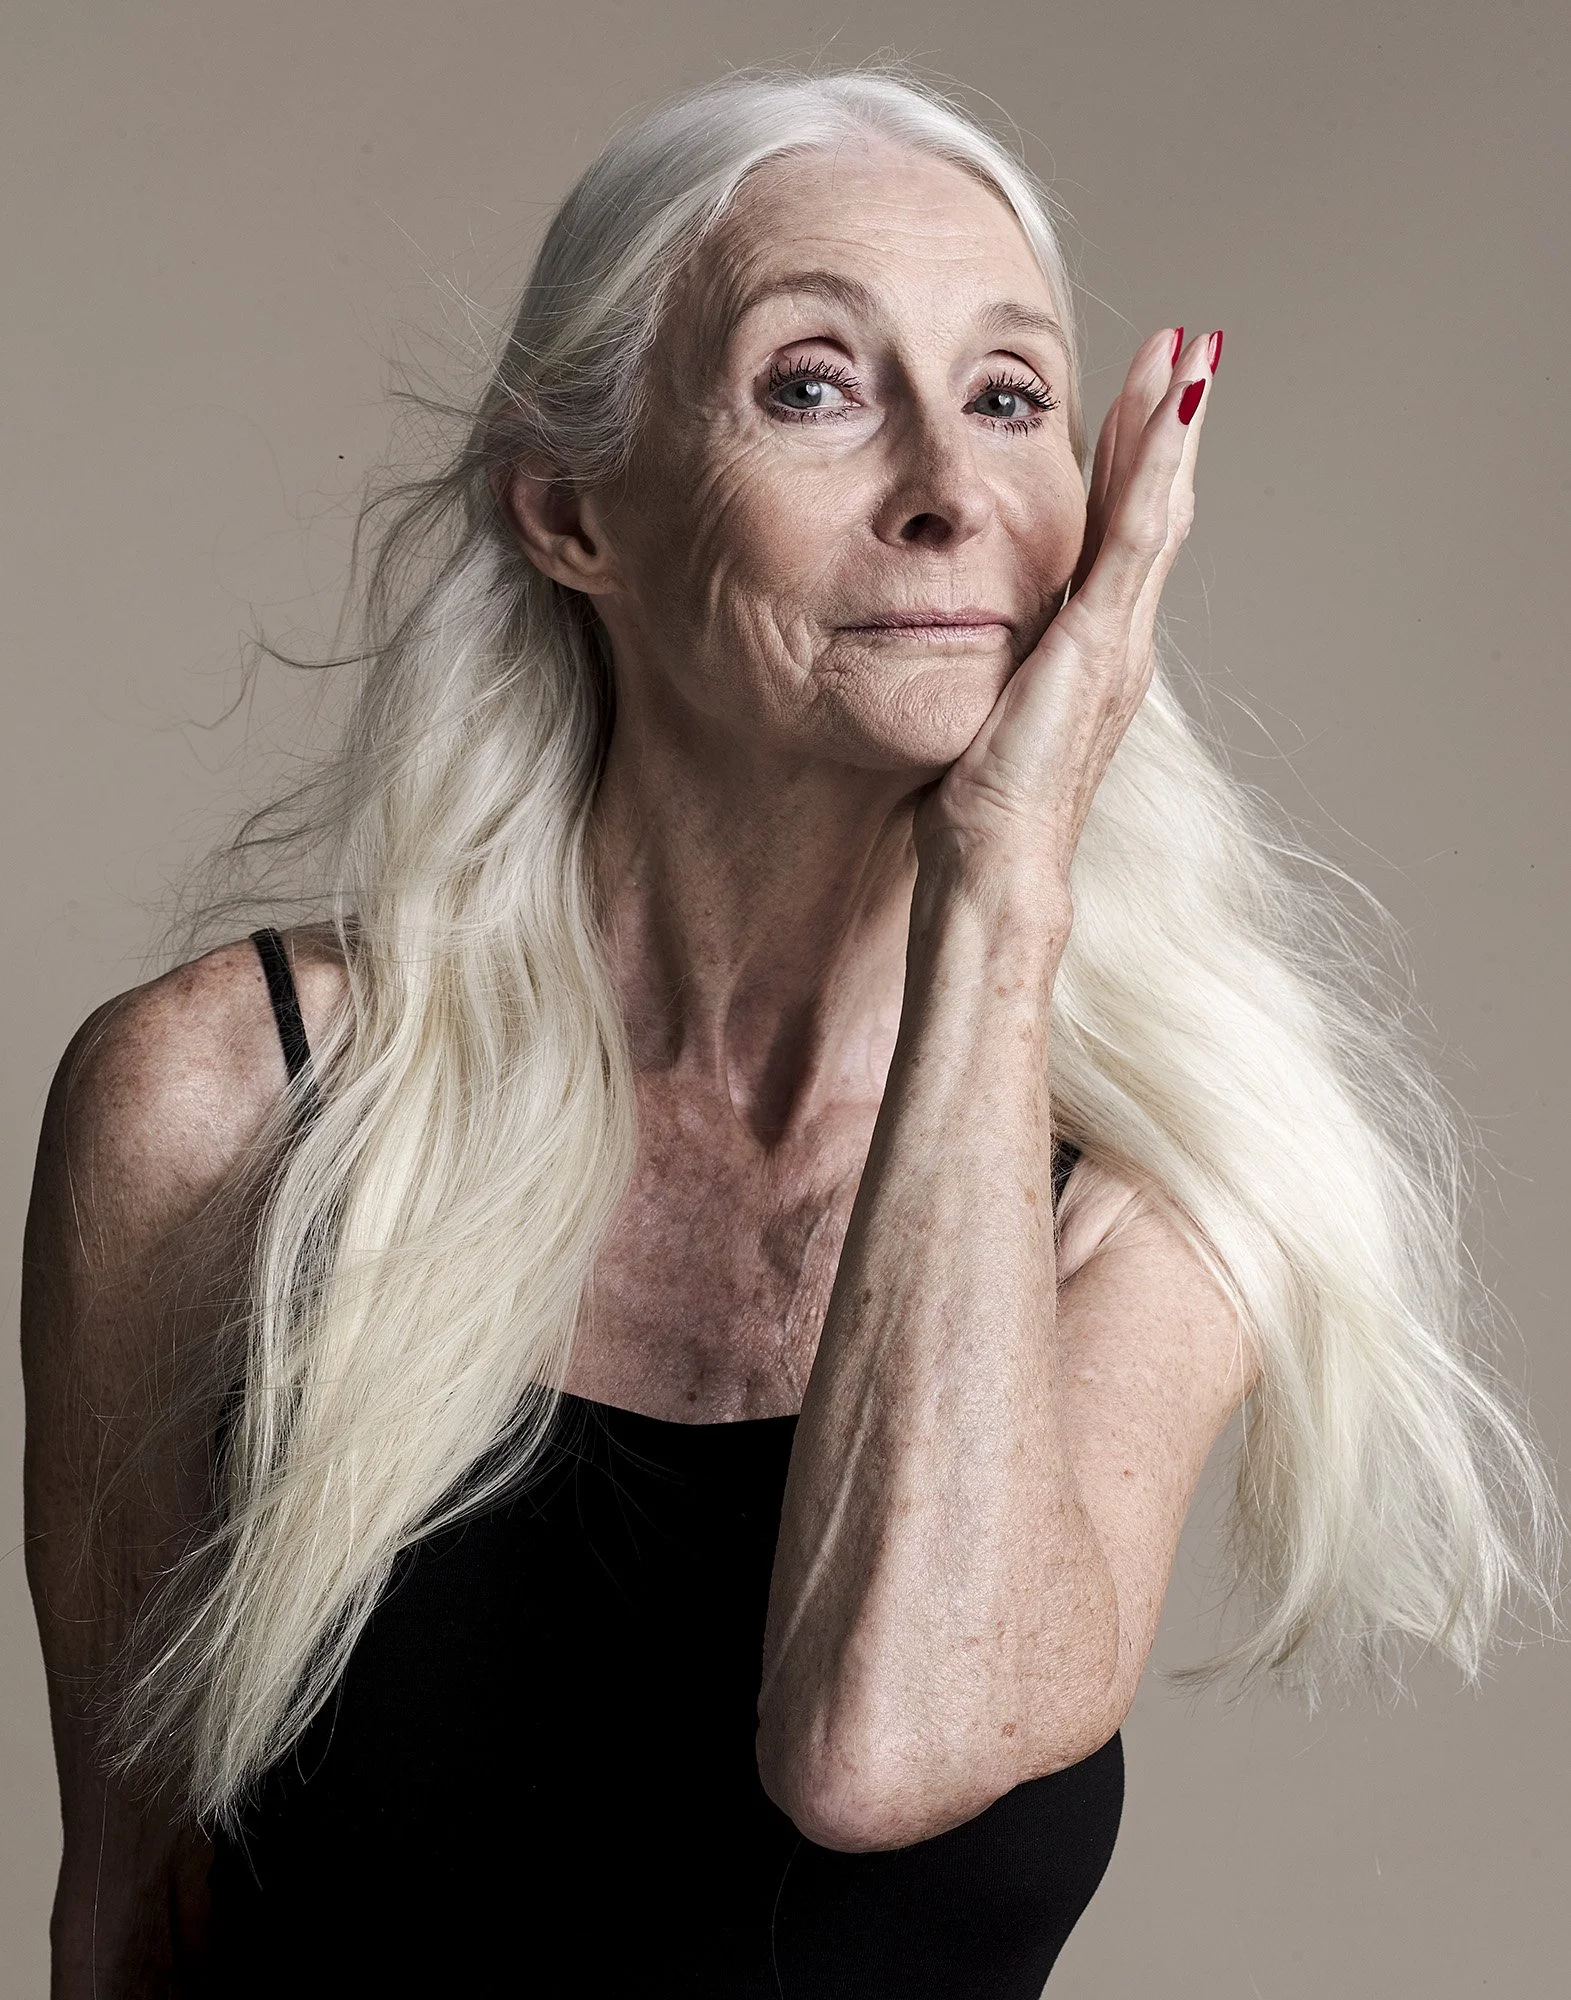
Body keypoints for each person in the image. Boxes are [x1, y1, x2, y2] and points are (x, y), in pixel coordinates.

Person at [22, 67, 1556, 1999]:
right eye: (814, 386)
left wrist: (1003, 897)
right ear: (571, 512)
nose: (945, 493)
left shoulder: (1161, 1202)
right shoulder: (221, 1111)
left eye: (1009, 399)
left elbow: (882, 1747)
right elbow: (125, 1917)